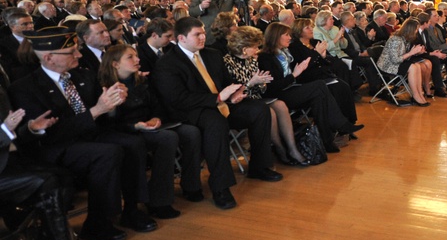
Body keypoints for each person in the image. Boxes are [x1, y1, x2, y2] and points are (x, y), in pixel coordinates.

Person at [8, 26, 148, 240]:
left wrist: (113, 103)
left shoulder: (82, 75)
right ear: (49, 57)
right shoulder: (25, 87)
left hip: (89, 135)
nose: (79, 55)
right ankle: (98, 223)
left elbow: (102, 114)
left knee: (134, 143)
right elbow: (49, 133)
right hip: (56, 146)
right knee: (107, 153)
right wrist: (97, 110)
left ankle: (132, 209)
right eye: (72, 52)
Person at [152, 17, 280, 210]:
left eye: (203, 32)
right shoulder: (168, 63)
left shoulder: (212, 54)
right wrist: (219, 98)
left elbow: (226, 82)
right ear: (181, 38)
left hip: (220, 104)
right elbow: (179, 100)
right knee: (216, 122)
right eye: (197, 34)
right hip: (192, 111)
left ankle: (259, 166)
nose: (203, 37)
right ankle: (221, 187)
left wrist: (235, 93)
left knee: (260, 109)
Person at [0, 87, 101, 240]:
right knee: (48, 181)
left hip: (9, 162)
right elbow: (4, 132)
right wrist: (6, 129)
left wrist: (31, 128)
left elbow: (12, 136)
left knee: (63, 176)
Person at [98, 43, 198, 220]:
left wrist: (156, 118)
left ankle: (190, 185)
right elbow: (107, 123)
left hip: (148, 125)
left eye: (136, 56)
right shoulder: (105, 86)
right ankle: (159, 200)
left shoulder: (142, 81)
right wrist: (135, 126)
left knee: (190, 132)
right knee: (167, 138)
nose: (137, 60)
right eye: (130, 57)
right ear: (115, 64)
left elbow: (157, 105)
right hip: (126, 130)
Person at [257, 23, 362, 152]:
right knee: (320, 86)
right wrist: (295, 74)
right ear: (276, 37)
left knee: (319, 97)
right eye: (286, 35)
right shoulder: (265, 58)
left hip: (292, 87)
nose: (290, 38)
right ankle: (340, 125)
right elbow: (273, 87)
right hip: (279, 94)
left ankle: (327, 140)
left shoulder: (285, 52)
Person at [223, 26, 308, 166]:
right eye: (254, 47)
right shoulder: (228, 62)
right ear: (243, 47)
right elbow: (235, 93)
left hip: (257, 98)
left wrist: (262, 82)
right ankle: (280, 149)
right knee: (270, 113)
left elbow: (262, 89)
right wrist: (252, 83)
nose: (257, 50)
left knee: (280, 105)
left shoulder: (251, 60)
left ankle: (292, 148)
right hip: (240, 103)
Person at [377, 18, 433, 106]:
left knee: (417, 66)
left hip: (397, 63)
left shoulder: (405, 39)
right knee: (413, 67)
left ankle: (419, 94)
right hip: (388, 66)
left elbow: (405, 57)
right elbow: (395, 60)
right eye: (415, 29)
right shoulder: (396, 39)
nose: (416, 32)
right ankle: (416, 95)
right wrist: (412, 52)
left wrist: (415, 52)